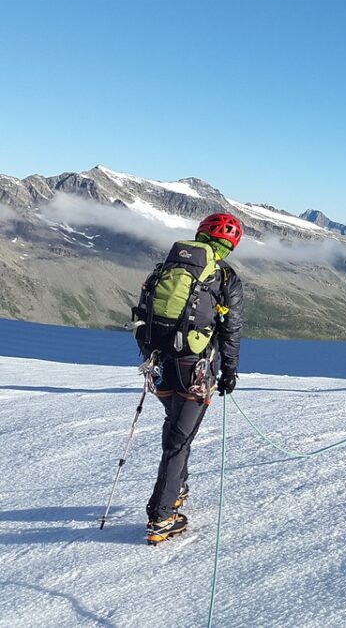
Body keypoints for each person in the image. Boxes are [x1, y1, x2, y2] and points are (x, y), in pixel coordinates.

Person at [140, 213, 245, 545]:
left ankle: (178, 487)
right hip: (194, 368)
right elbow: (231, 331)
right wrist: (229, 372)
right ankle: (161, 516)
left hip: (158, 364)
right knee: (179, 441)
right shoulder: (224, 277)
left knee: (174, 425)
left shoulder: (167, 267)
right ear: (231, 244)